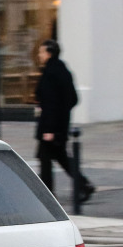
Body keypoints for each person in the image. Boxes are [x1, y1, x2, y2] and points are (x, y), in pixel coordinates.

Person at [33, 40, 94, 203]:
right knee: (61, 158)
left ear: (49, 53)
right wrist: (63, 114)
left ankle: (48, 196)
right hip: (60, 124)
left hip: (50, 126)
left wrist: (50, 129)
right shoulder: (62, 70)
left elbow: (51, 103)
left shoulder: (51, 73)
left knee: (46, 159)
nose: (39, 55)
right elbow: (73, 99)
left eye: (41, 52)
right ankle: (84, 184)